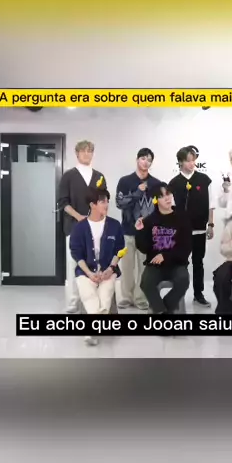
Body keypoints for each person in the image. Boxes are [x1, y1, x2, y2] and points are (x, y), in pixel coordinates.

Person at [70, 187, 125, 346]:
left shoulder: (114, 225)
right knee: (88, 295)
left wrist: (110, 269)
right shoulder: (80, 227)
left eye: (107, 201)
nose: (106, 205)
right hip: (85, 271)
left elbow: (119, 250)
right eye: (102, 202)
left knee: (105, 296)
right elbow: (77, 254)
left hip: (109, 271)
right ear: (92, 204)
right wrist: (89, 273)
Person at [58, 140, 107, 314]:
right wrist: (79, 217)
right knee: (74, 266)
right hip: (74, 228)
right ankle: (73, 304)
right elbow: (63, 202)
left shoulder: (99, 176)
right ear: (77, 153)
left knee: (95, 265)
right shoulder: (69, 176)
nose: (87, 154)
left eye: (90, 151)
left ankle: (92, 304)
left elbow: (103, 202)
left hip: (96, 228)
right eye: (83, 151)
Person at [169, 146, 215, 307]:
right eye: (188, 160)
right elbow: (171, 209)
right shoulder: (173, 183)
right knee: (180, 263)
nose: (191, 163)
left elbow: (211, 205)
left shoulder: (204, 180)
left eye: (193, 160)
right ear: (180, 162)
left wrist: (211, 224)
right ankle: (178, 294)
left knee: (198, 262)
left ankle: (198, 294)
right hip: (181, 232)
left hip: (200, 229)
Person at [115, 148, 161, 311]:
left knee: (144, 268)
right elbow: (119, 203)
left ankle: (141, 298)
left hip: (147, 234)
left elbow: (160, 208)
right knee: (127, 267)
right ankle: (126, 297)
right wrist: (137, 192)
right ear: (137, 160)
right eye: (143, 158)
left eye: (149, 160)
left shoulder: (156, 184)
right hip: (128, 231)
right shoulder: (125, 181)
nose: (145, 162)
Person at [135, 183, 191, 314]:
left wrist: (165, 256)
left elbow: (186, 247)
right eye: (162, 196)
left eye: (168, 194)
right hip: (155, 265)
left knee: (183, 280)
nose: (167, 198)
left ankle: (163, 309)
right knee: (146, 283)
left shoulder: (182, 218)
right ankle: (161, 311)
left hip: (177, 264)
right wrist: (140, 231)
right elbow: (143, 248)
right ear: (155, 200)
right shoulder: (149, 221)